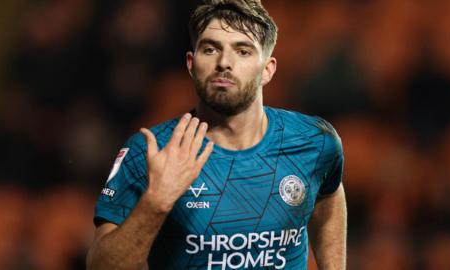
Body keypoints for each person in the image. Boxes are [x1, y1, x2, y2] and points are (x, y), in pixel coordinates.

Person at [86, 0, 347, 269]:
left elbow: (329, 193)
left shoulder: (315, 141)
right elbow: (100, 266)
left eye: (243, 51)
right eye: (210, 49)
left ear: (267, 70)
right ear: (191, 63)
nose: (224, 62)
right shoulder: (151, 151)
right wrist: (156, 202)